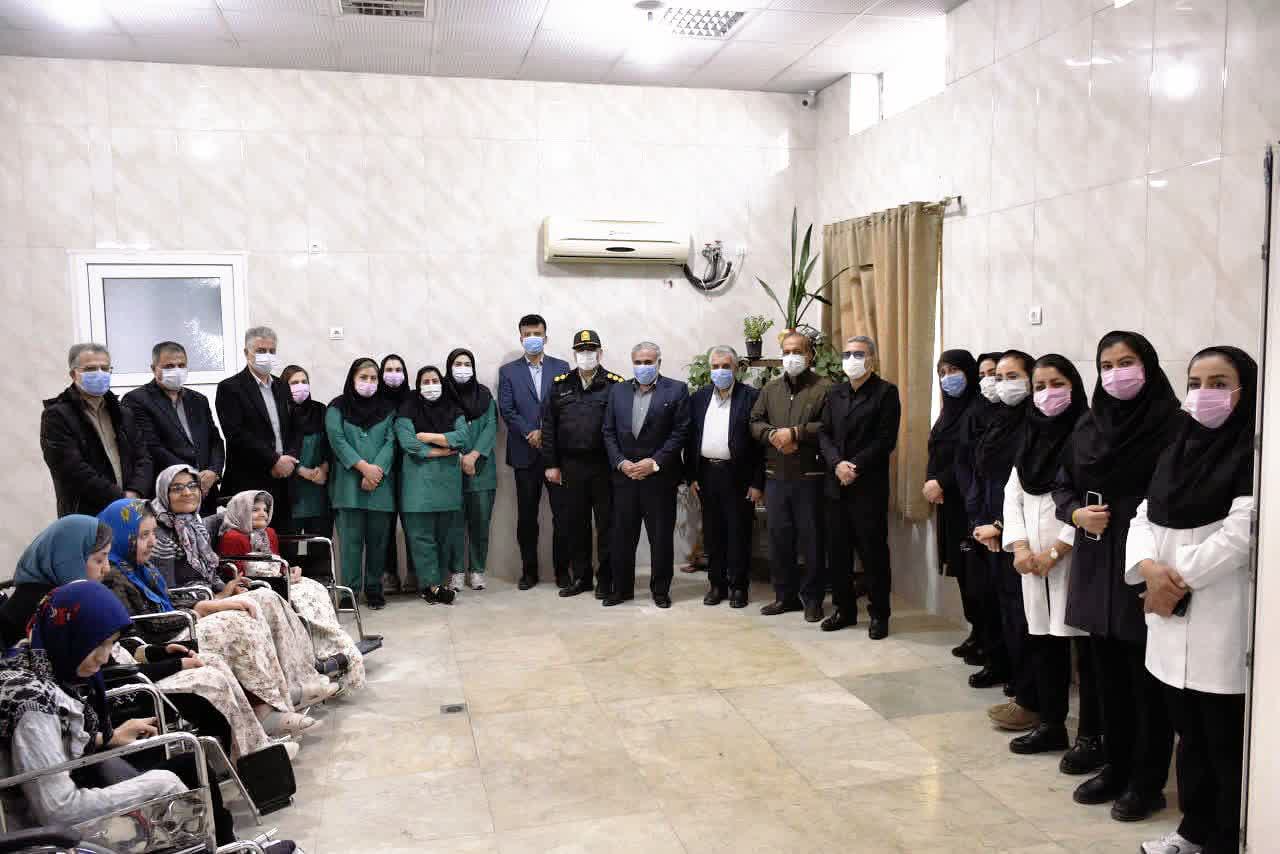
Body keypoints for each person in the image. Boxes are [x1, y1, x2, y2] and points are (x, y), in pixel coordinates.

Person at [1128, 346, 1256, 854]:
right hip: (1167, 619)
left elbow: (1242, 535)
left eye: (1220, 383)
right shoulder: (1176, 448)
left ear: (1246, 391)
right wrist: (1148, 570)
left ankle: (1226, 840)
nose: (1205, 394)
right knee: (1189, 736)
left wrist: (1170, 581)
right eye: (1196, 382)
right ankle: (1191, 832)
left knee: (1224, 741)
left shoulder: (1254, 454)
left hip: (1220, 618)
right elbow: (1143, 515)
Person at [1053, 330, 1179, 821]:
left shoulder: (1172, 424)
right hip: (1094, 558)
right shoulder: (1089, 424)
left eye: (1126, 362)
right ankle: (1115, 766)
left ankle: (1146, 783)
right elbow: (1063, 484)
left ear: (1148, 366)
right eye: (1106, 365)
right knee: (1106, 677)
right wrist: (1074, 514)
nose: (1115, 374)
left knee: (1146, 682)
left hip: (1143, 560)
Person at [148, 464, 336, 734]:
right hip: (189, 610)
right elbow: (165, 590)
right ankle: (265, 707)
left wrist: (228, 587)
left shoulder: (195, 524)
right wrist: (217, 597)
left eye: (191, 486)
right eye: (177, 488)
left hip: (209, 596)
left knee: (267, 598)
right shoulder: (158, 533)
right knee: (245, 616)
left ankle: (295, 681)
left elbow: (210, 572)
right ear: (164, 493)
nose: (187, 493)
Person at [96, 498, 280, 762]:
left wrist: (203, 604)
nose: (153, 542)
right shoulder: (112, 578)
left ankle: (265, 721)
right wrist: (197, 611)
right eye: (143, 535)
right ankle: (251, 746)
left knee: (249, 610)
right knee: (231, 626)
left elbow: (161, 608)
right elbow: (136, 628)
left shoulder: (143, 569)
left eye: (153, 533)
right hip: (155, 649)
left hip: (160, 643)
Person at [998, 354, 1090, 755]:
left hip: (1074, 557)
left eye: (1057, 385)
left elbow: (1089, 499)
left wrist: (1056, 551)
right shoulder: (1030, 434)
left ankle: (1090, 737)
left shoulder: (1086, 434)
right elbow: (1013, 493)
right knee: (1043, 643)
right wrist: (1020, 546)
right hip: (1031, 562)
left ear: (1074, 387)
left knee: (1084, 651)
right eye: (1039, 387)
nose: (1047, 394)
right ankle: (1051, 725)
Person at [216, 490, 366, 692]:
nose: (262, 514)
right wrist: (281, 574)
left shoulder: (268, 533)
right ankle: (317, 652)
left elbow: (276, 561)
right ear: (241, 511)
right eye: (255, 510)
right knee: (301, 597)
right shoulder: (233, 537)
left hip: (279, 579)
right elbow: (238, 574)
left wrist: (291, 571)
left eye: (265, 510)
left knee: (315, 588)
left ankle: (331, 642)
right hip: (257, 586)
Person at [819, 336, 901, 638]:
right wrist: (836, 463)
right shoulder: (835, 392)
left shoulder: (886, 393)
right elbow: (824, 433)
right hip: (835, 485)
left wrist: (853, 466)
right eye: (847, 354)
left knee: (873, 553)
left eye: (859, 354)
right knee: (837, 552)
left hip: (868, 486)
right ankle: (844, 610)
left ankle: (879, 615)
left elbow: (885, 440)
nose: (851, 359)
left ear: (872, 359)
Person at [971, 350, 1037, 726]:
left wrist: (1000, 526)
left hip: (1021, 534)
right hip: (995, 530)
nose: (1002, 384)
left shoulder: (1034, 422)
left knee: (1025, 618)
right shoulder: (999, 419)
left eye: (1013, 377)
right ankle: (1018, 686)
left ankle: (1031, 697)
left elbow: (1027, 484)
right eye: (999, 377)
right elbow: (984, 474)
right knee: (1008, 613)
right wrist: (985, 523)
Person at [748, 331, 831, 620]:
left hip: (810, 477)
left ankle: (813, 599)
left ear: (810, 355)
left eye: (798, 351)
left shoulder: (825, 388)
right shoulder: (770, 389)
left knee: (812, 541)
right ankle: (785, 597)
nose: (791, 357)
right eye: (786, 352)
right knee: (779, 540)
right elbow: (754, 421)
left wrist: (796, 433)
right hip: (776, 477)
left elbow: (830, 425)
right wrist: (773, 435)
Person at [602, 341, 690, 609]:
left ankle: (660, 590)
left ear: (659, 363)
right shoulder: (618, 391)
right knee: (622, 538)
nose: (643, 367)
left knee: (660, 539)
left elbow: (680, 432)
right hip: (625, 478)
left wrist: (654, 462)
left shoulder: (677, 390)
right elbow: (608, 431)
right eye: (638, 362)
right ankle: (621, 589)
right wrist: (620, 462)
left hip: (659, 480)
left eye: (648, 362)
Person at [542, 330, 624, 599]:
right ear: (574, 354)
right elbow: (549, 426)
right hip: (571, 465)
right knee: (575, 524)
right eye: (581, 350)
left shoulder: (615, 384)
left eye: (591, 350)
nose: (586, 355)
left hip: (604, 466)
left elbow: (621, 428)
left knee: (606, 524)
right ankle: (582, 577)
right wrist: (551, 464)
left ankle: (606, 579)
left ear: (600, 353)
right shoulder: (560, 384)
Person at [685, 346, 763, 608]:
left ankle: (738, 587)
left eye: (726, 367)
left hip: (738, 476)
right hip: (707, 474)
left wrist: (757, 482)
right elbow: (691, 438)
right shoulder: (699, 397)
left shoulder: (751, 397)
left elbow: (760, 446)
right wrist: (691, 476)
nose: (720, 371)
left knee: (738, 533)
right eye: (715, 367)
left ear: (736, 368)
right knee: (713, 534)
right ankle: (716, 585)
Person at [498, 314, 572, 590]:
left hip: (556, 455)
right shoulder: (508, 371)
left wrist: (545, 433)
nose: (532, 338)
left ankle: (562, 572)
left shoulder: (561, 367)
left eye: (537, 333)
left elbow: (566, 406)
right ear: (520, 338)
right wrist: (531, 432)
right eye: (527, 334)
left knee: (562, 515)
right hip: (524, 452)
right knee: (527, 517)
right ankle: (529, 572)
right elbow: (507, 409)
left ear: (545, 337)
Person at [41, 343, 151, 518]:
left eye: (105, 368)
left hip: (131, 510)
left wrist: (135, 492)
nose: (100, 373)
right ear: (73, 374)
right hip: (86, 515)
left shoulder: (123, 413)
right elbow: (71, 469)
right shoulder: (57, 416)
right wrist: (120, 498)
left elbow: (143, 457)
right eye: (91, 369)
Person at [326, 357, 398, 610]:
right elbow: (337, 440)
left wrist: (376, 471)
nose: (369, 382)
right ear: (352, 379)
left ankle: (374, 589)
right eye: (363, 377)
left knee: (378, 543)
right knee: (350, 544)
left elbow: (392, 442)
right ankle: (350, 592)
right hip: (348, 487)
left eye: (373, 378)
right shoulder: (336, 407)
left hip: (380, 487)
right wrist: (364, 468)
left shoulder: (388, 409)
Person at [395, 366, 471, 605]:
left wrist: (429, 437)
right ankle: (431, 585)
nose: (431, 386)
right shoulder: (407, 410)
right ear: (418, 386)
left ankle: (437, 584)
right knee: (421, 538)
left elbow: (463, 437)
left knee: (444, 538)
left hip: (448, 485)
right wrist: (444, 450)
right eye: (425, 382)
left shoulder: (453, 409)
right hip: (418, 486)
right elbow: (408, 442)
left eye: (434, 380)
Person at [123, 341, 225, 515]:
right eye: (169, 366)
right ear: (154, 368)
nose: (177, 370)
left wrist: (213, 472)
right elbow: (152, 447)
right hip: (170, 493)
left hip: (206, 493)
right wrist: (192, 476)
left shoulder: (198, 400)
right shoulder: (136, 400)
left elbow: (215, 441)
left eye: (181, 365)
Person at [924, 349, 982, 653]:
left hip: (969, 503)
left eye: (954, 370)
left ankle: (986, 636)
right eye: (942, 372)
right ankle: (976, 632)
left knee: (974, 572)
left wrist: (941, 482)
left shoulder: (977, 410)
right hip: (949, 504)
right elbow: (937, 452)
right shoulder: (948, 412)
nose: (948, 378)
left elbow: (969, 457)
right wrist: (931, 482)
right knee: (960, 568)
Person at [215, 327, 299, 531]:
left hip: (284, 481)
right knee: (252, 544)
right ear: (247, 353)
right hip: (250, 481)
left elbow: (295, 428)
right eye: (261, 351)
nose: (267, 356)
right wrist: (274, 460)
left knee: (284, 541)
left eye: (272, 351)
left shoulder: (282, 386)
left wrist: (290, 459)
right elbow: (236, 435)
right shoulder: (230, 388)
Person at [0, 517, 113, 649]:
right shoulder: (49, 609)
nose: (107, 568)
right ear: (69, 559)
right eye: (99, 560)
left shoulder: (51, 597)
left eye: (107, 557)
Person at [444, 347, 498, 592]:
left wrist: (474, 456)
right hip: (449, 468)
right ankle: (456, 572)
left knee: (480, 522)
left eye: (467, 364)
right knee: (453, 524)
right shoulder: (442, 396)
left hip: (481, 470)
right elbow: (437, 427)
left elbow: (491, 427)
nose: (463, 369)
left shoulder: (484, 395)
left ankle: (477, 570)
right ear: (449, 367)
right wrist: (458, 456)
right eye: (458, 364)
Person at [279, 365, 331, 549]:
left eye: (304, 381)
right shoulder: (279, 413)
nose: (301, 386)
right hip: (290, 491)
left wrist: (324, 468)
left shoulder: (320, 410)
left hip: (319, 490)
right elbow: (276, 450)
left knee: (319, 550)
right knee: (290, 551)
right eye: (294, 383)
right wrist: (301, 471)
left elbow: (331, 444)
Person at [377, 354, 414, 595]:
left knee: (413, 522)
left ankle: (415, 572)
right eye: (388, 369)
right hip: (384, 471)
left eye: (398, 369)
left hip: (412, 468)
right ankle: (388, 574)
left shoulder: (413, 399)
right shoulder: (375, 400)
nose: (394, 374)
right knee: (386, 525)